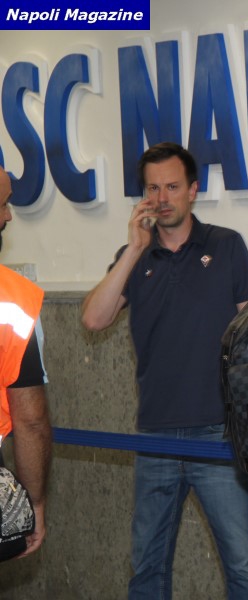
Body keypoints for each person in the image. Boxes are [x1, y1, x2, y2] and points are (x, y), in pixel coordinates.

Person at [80, 143, 248, 599]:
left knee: (243, 568)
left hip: (218, 434)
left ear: (193, 190)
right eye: (152, 189)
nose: (162, 198)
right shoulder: (135, 255)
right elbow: (94, 319)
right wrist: (133, 250)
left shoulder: (226, 246)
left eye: (172, 187)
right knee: (147, 568)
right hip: (155, 435)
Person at [0, 168, 51, 559]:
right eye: (3, 204)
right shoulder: (12, 300)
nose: (8, 217)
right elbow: (30, 420)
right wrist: (31, 504)